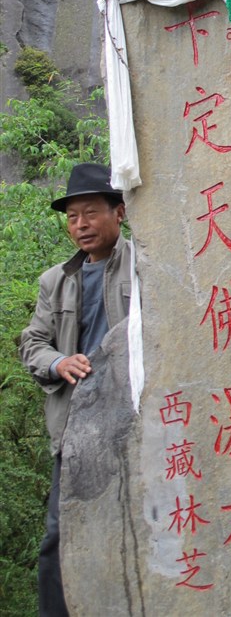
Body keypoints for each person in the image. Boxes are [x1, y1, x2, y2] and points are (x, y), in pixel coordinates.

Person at [20, 162, 132, 617]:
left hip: (134, 423)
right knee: (60, 536)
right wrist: (59, 362)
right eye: (72, 217)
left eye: (90, 212)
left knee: (137, 525)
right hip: (75, 429)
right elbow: (33, 342)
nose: (81, 224)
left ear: (119, 212)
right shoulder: (56, 281)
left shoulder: (143, 265)